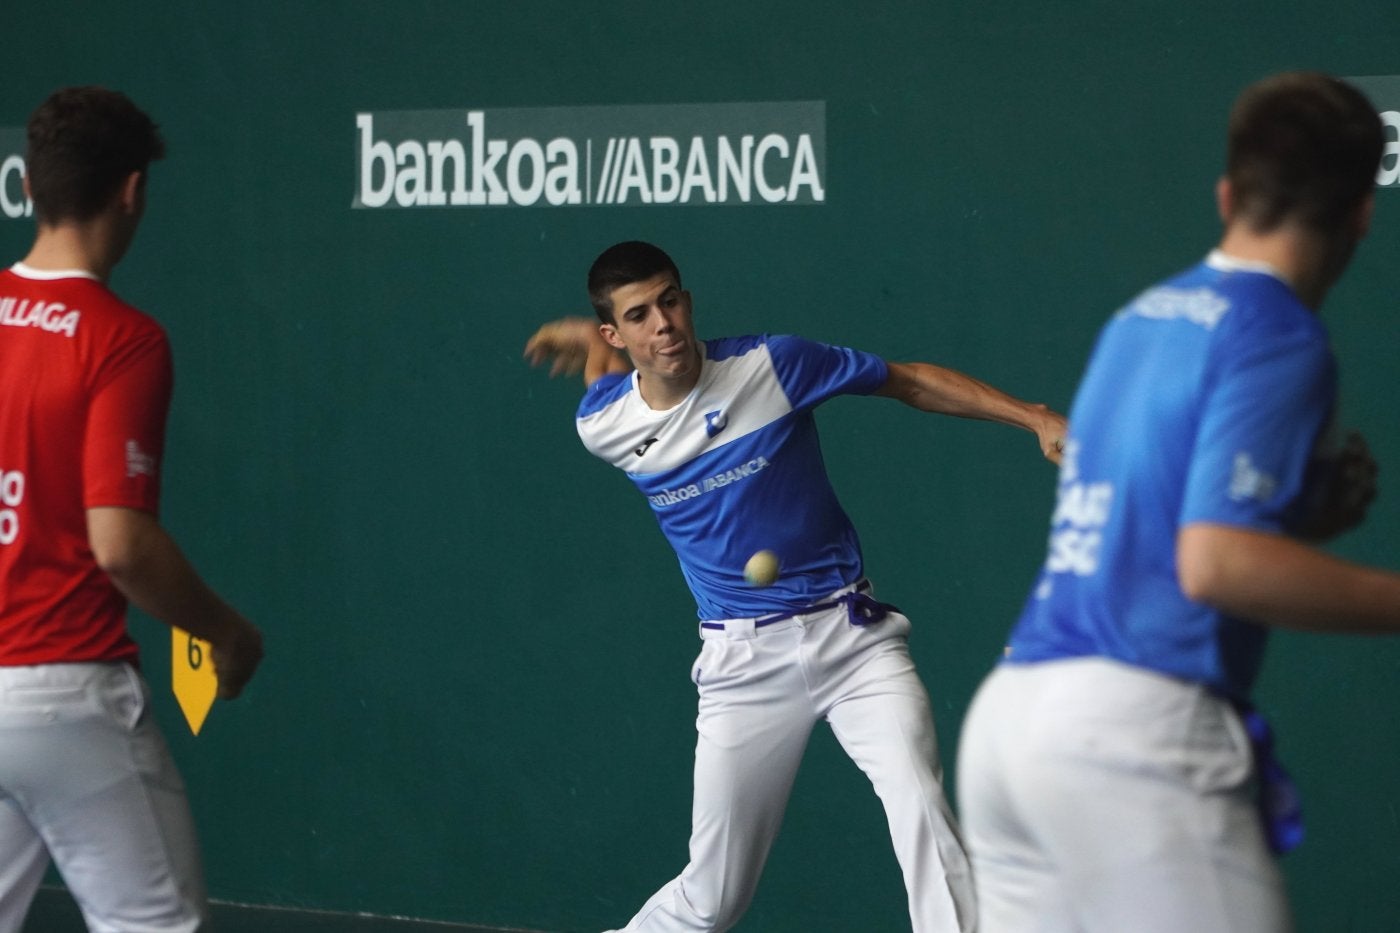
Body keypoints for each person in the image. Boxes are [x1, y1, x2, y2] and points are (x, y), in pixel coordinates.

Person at [955, 71, 1400, 933]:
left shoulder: (1142, 318)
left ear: (1229, 194)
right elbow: (1215, 562)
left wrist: (1296, 521)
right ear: (1361, 214)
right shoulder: (1280, 332)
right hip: (1130, 741)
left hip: (1012, 726)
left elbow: (1156, 528)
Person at [524, 240, 1066, 933]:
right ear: (616, 333)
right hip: (742, 666)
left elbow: (909, 381)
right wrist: (591, 346)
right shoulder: (601, 426)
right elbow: (610, 388)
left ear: (688, 301)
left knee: (923, 804)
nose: (662, 323)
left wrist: (1033, 416)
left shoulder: (772, 365)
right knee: (712, 898)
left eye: (669, 301)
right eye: (638, 315)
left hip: (855, 638)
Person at [0, 86, 264, 933]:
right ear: (132, 190)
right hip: (67, 691)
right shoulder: (121, 338)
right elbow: (119, 541)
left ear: (30, 186)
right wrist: (225, 628)